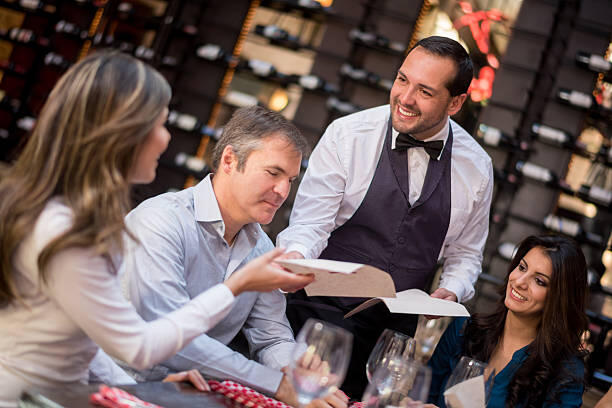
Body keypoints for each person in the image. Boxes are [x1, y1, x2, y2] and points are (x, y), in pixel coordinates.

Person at [0, 51, 313, 407]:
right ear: (120, 132)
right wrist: (237, 286)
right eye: (159, 124)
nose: (166, 139)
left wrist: (143, 389)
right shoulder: (72, 228)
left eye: (290, 179)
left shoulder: (77, 218)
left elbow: (80, 341)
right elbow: (139, 347)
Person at [276, 35, 494, 396]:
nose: (405, 98)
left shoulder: (477, 167)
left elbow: (467, 254)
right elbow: (310, 225)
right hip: (319, 319)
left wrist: (452, 291)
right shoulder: (348, 135)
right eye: (402, 79)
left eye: (424, 91)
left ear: (455, 102)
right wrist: (295, 259)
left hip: (392, 344)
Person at [121, 105, 346, 408]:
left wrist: (296, 369)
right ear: (229, 160)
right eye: (273, 173)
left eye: (291, 180)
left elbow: (272, 337)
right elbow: (171, 340)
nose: (283, 191)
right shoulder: (160, 222)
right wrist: (277, 385)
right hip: (116, 387)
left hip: (189, 396)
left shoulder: (262, 248)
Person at [426, 235, 588, 408]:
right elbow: (423, 394)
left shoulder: (566, 372)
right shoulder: (464, 330)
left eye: (539, 281)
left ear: (560, 298)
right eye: (522, 267)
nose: (519, 282)